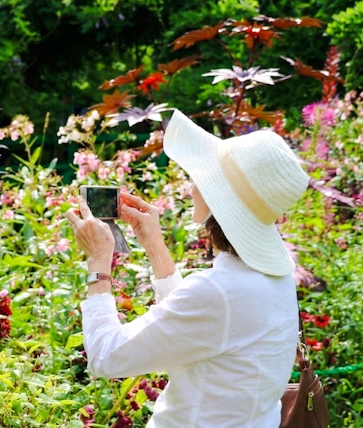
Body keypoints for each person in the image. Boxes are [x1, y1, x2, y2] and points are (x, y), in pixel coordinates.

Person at [65, 109, 309, 427]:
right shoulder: (272, 279)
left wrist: (99, 260)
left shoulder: (220, 290)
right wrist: (153, 243)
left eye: (201, 176)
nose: (192, 185)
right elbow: (202, 324)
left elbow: (105, 357)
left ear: (214, 194)